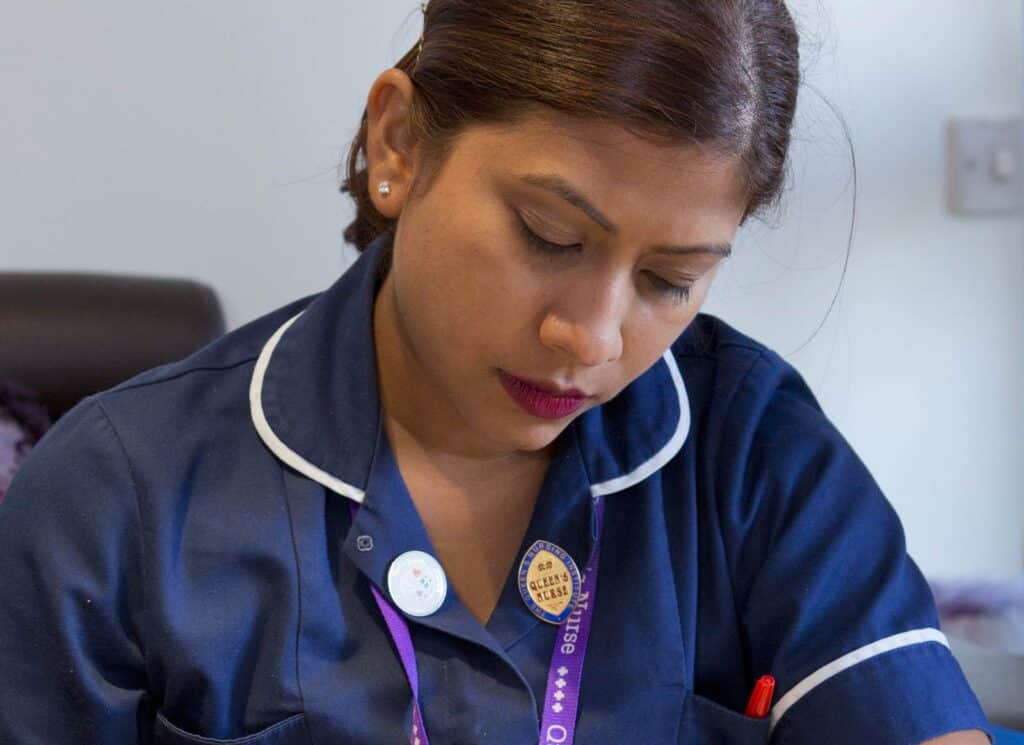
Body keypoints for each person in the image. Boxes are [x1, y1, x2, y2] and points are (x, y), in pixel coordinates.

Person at [0, 1, 995, 743]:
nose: (591, 338)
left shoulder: (752, 446)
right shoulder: (118, 497)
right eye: (548, 235)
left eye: (668, 278)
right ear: (399, 144)